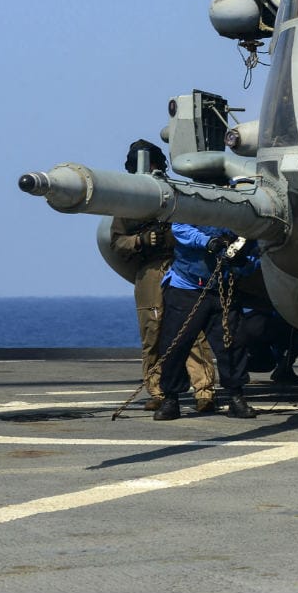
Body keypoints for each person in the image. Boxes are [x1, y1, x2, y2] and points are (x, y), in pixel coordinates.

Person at [109, 140, 217, 413]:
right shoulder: (127, 204)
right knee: (153, 332)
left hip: (181, 266)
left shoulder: (174, 195)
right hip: (151, 271)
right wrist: (142, 240)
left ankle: (203, 389)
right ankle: (157, 389)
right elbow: (117, 243)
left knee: (192, 330)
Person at [153, 223, 262, 421]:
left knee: (234, 343)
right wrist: (208, 242)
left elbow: (255, 254)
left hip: (224, 288)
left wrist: (243, 263)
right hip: (186, 287)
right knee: (175, 344)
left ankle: (236, 396)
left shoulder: (245, 211)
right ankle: (171, 399)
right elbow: (179, 227)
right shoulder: (193, 199)